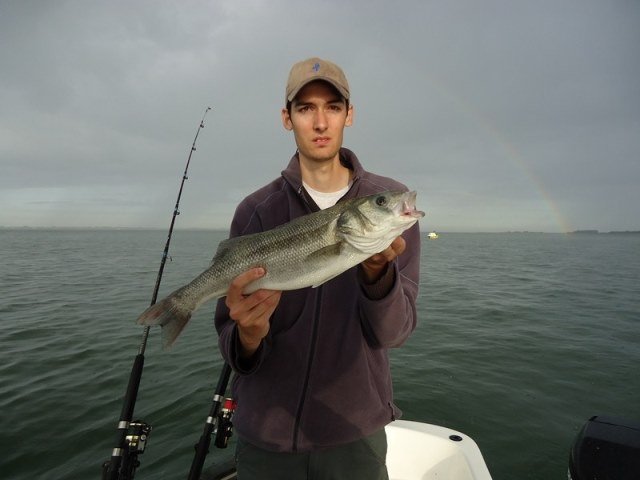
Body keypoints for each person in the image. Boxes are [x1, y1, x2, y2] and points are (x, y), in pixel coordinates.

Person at [214, 57, 421, 479]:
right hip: (268, 434)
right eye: (306, 108)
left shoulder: (390, 206)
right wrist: (248, 335)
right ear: (286, 118)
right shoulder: (256, 211)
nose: (321, 121)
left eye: (332, 106)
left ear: (350, 114)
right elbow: (232, 343)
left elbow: (394, 334)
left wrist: (378, 277)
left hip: (355, 433)